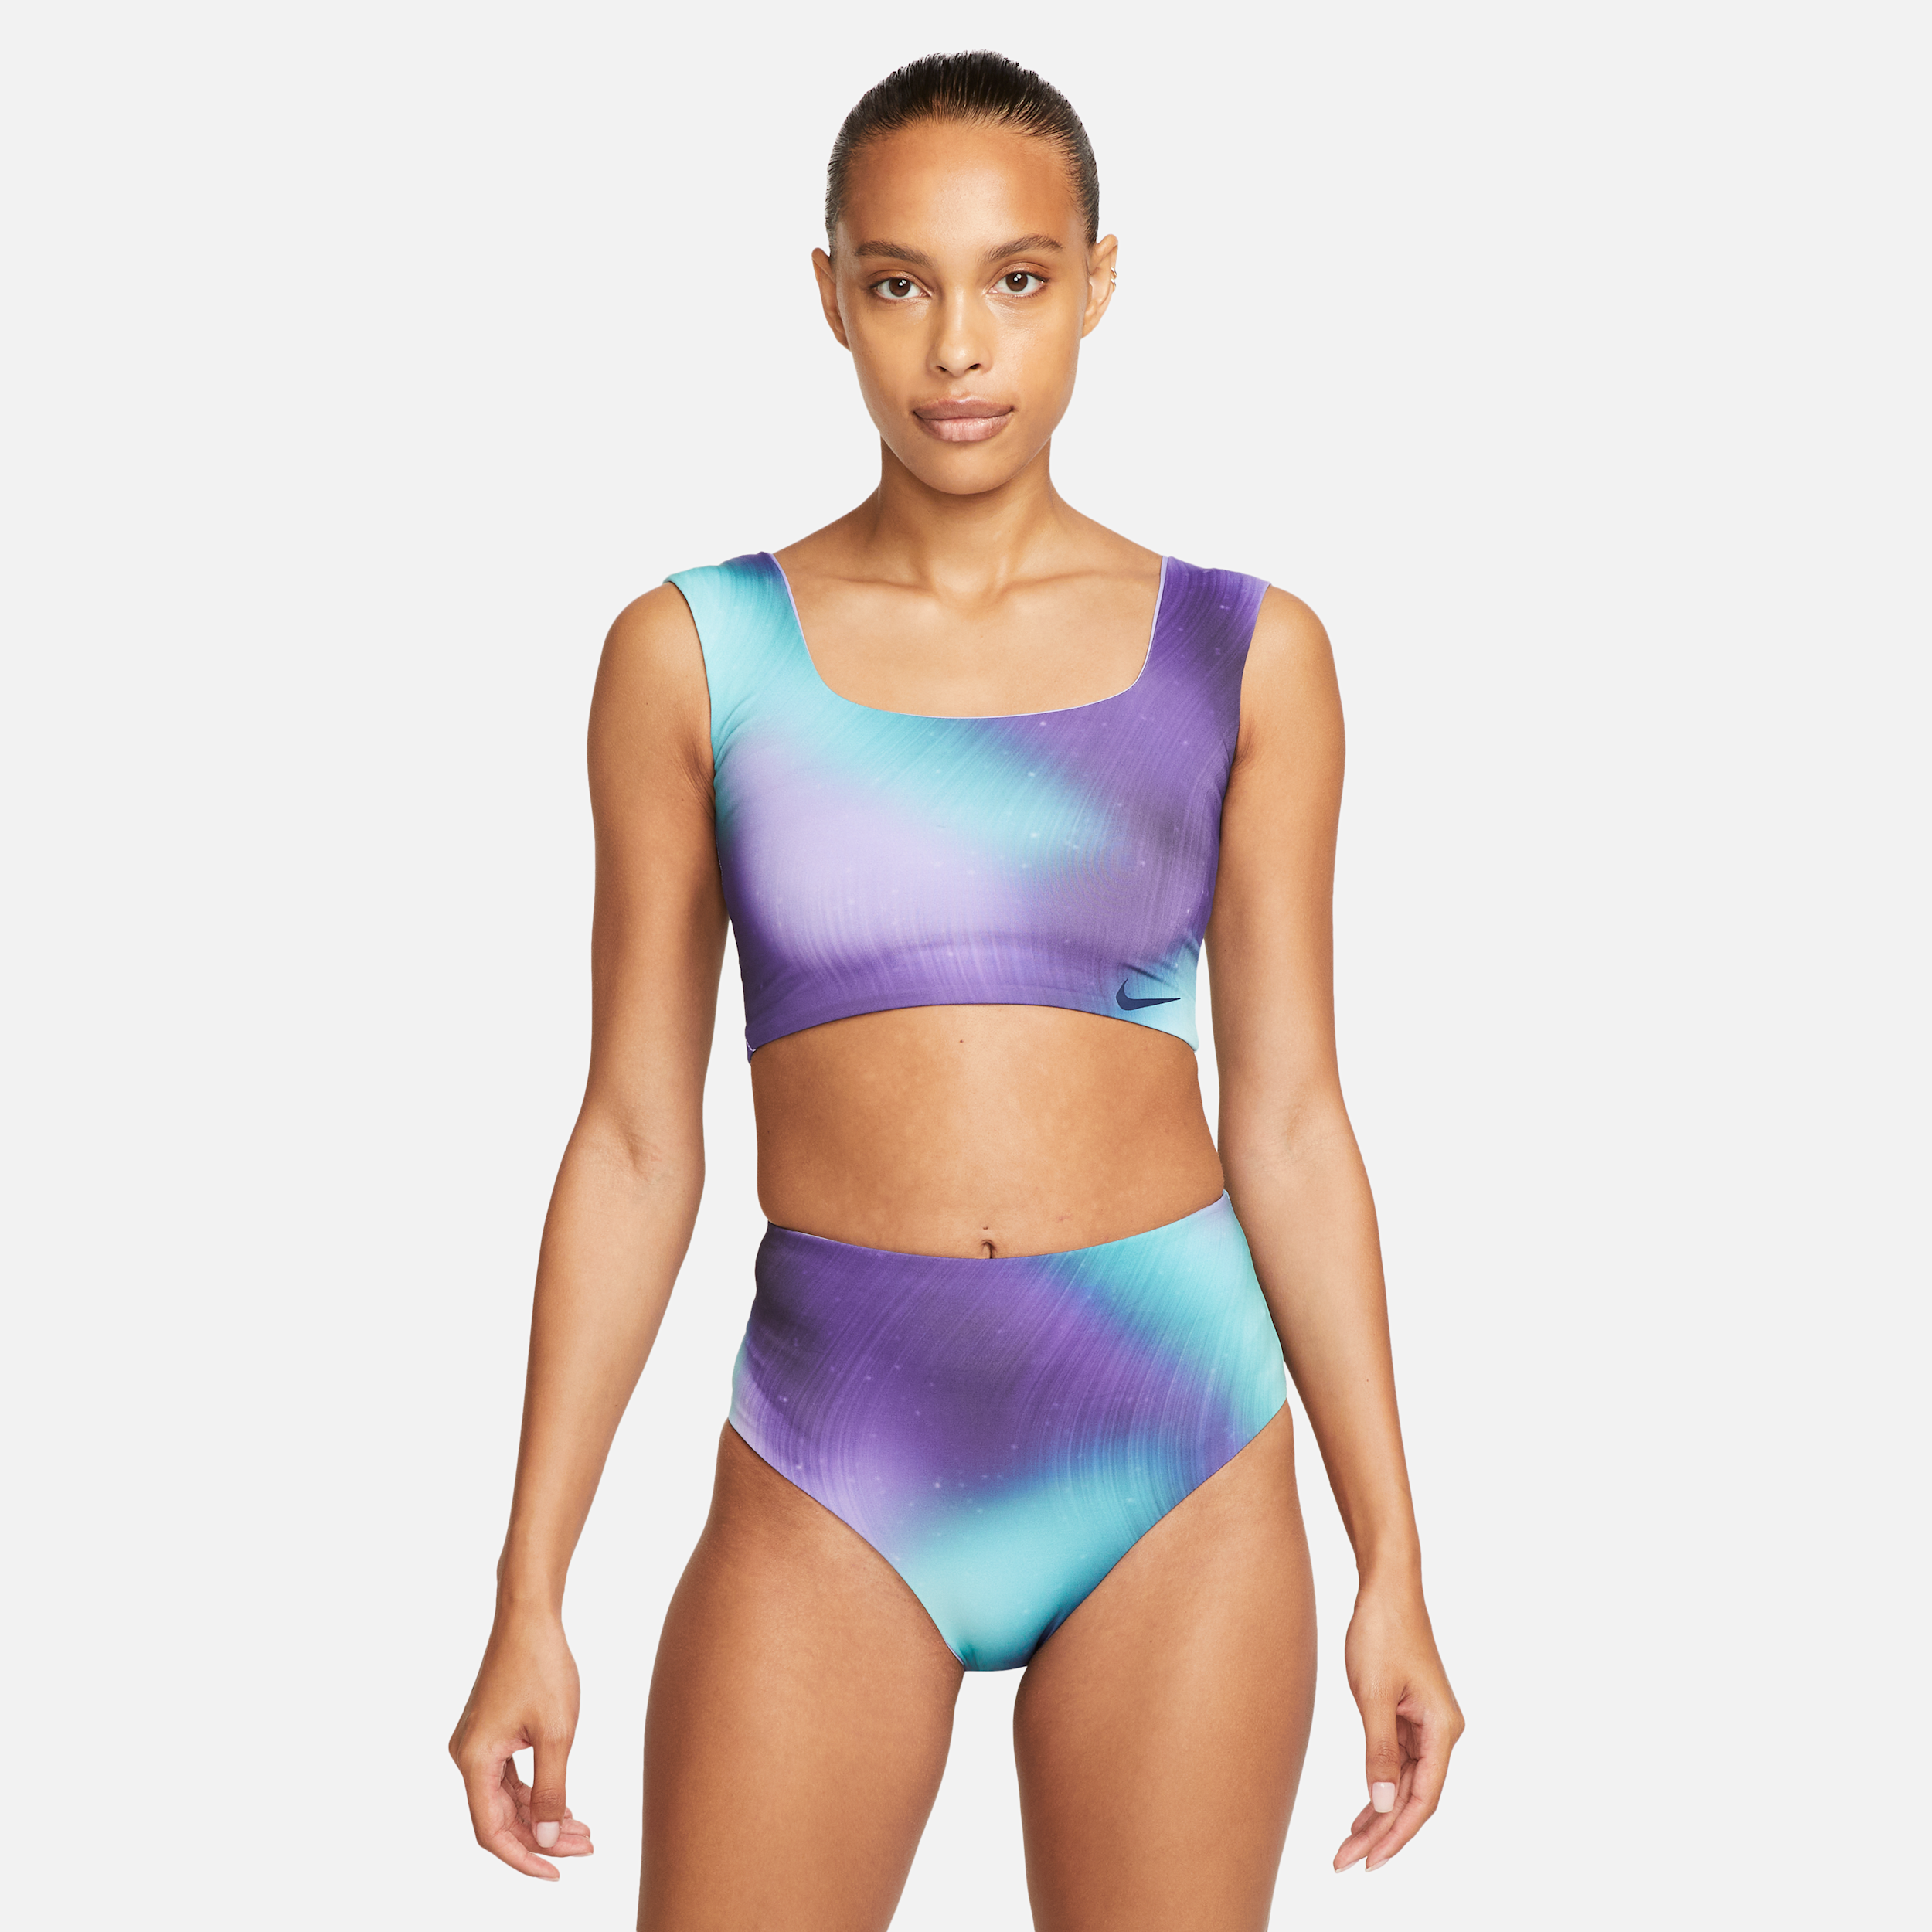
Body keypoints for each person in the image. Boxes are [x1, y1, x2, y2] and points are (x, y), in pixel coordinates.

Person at [449, 49, 1462, 1930]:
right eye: (901, 281)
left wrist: (1390, 1552)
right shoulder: (693, 652)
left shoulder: (1247, 654)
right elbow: (635, 1137)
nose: (958, 346)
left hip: (1172, 1442)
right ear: (829, 294)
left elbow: (1292, 1118)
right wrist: (530, 1586)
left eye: (1015, 277)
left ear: (1095, 282)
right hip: (835, 1443)